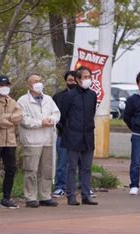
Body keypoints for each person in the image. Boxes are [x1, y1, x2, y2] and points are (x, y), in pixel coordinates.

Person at [17, 74, 60, 208]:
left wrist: (52, 120)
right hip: (32, 140)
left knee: (47, 169)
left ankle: (45, 195)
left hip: (48, 139)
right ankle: (30, 197)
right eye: (35, 81)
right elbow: (24, 120)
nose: (39, 83)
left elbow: (56, 113)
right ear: (29, 85)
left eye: (40, 81)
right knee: (31, 169)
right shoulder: (23, 101)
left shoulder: (48, 99)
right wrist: (41, 123)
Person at [59, 66, 98, 206]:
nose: (88, 79)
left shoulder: (92, 95)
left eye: (89, 77)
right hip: (72, 135)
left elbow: (92, 112)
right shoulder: (70, 95)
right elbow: (62, 116)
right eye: (85, 77)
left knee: (87, 167)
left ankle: (86, 195)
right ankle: (71, 195)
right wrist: (67, 130)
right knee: (72, 167)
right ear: (77, 79)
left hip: (88, 135)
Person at [0, 75, 23, 209]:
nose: (4, 88)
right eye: (1, 85)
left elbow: (20, 117)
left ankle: (6, 197)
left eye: (7, 85)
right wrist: (10, 120)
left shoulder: (12, 101)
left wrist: (6, 118)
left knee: (11, 169)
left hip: (10, 141)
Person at [52, 70, 77, 198]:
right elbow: (54, 114)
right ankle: (60, 186)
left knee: (77, 163)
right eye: (69, 80)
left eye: (74, 80)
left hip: (78, 136)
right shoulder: (58, 96)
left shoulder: (84, 95)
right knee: (62, 162)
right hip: (62, 134)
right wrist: (60, 125)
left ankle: (74, 187)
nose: (72, 83)